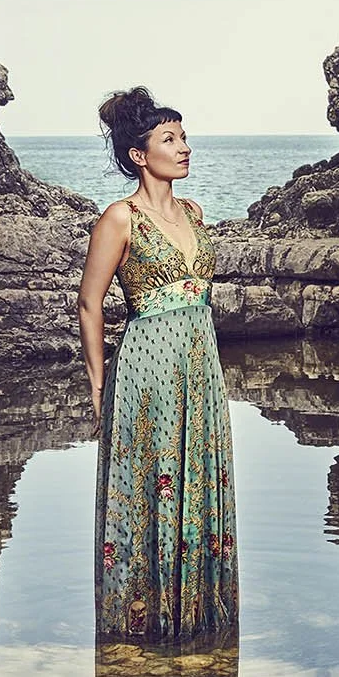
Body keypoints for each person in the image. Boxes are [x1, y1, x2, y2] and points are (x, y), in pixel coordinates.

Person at [78, 86, 238, 642]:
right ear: (138, 157)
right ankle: (145, 623)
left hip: (201, 366)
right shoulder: (120, 219)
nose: (184, 147)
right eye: (169, 139)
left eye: (185, 136)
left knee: (197, 480)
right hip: (147, 369)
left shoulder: (194, 212)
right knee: (152, 485)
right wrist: (100, 386)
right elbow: (90, 304)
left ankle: (196, 615)